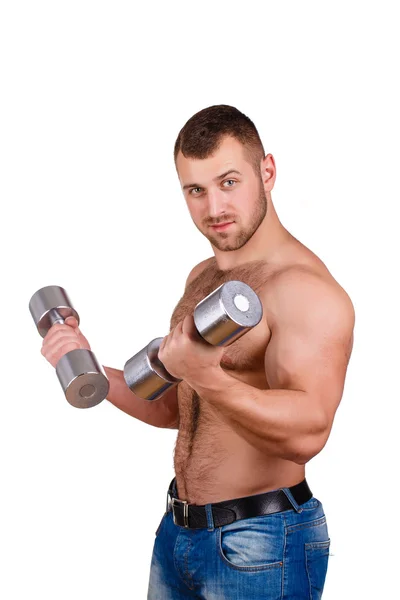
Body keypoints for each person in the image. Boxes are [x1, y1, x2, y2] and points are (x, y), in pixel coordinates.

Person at [40, 105, 355, 599]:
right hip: (179, 533)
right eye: (196, 190)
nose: (214, 208)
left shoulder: (305, 290)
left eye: (229, 182)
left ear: (266, 171)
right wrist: (91, 369)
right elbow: (177, 407)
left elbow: (309, 431)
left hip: (262, 544)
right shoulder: (203, 279)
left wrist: (206, 375)